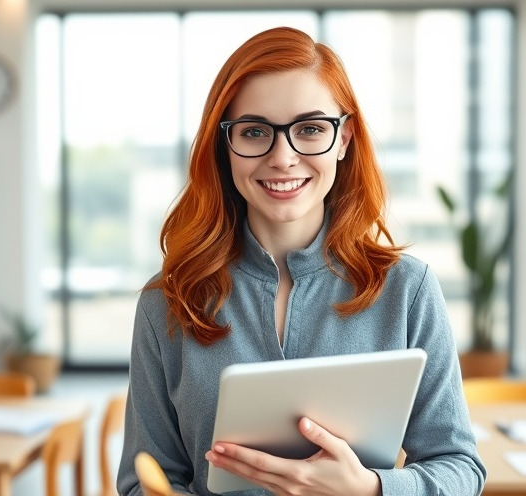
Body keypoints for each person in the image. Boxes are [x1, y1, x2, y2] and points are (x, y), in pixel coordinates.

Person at [118, 26, 486, 496]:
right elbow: (142, 482)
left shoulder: (407, 290)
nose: (283, 157)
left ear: (344, 138)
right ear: (223, 145)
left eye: (310, 129)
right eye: (254, 132)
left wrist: (372, 490)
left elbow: (459, 467)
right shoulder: (168, 303)